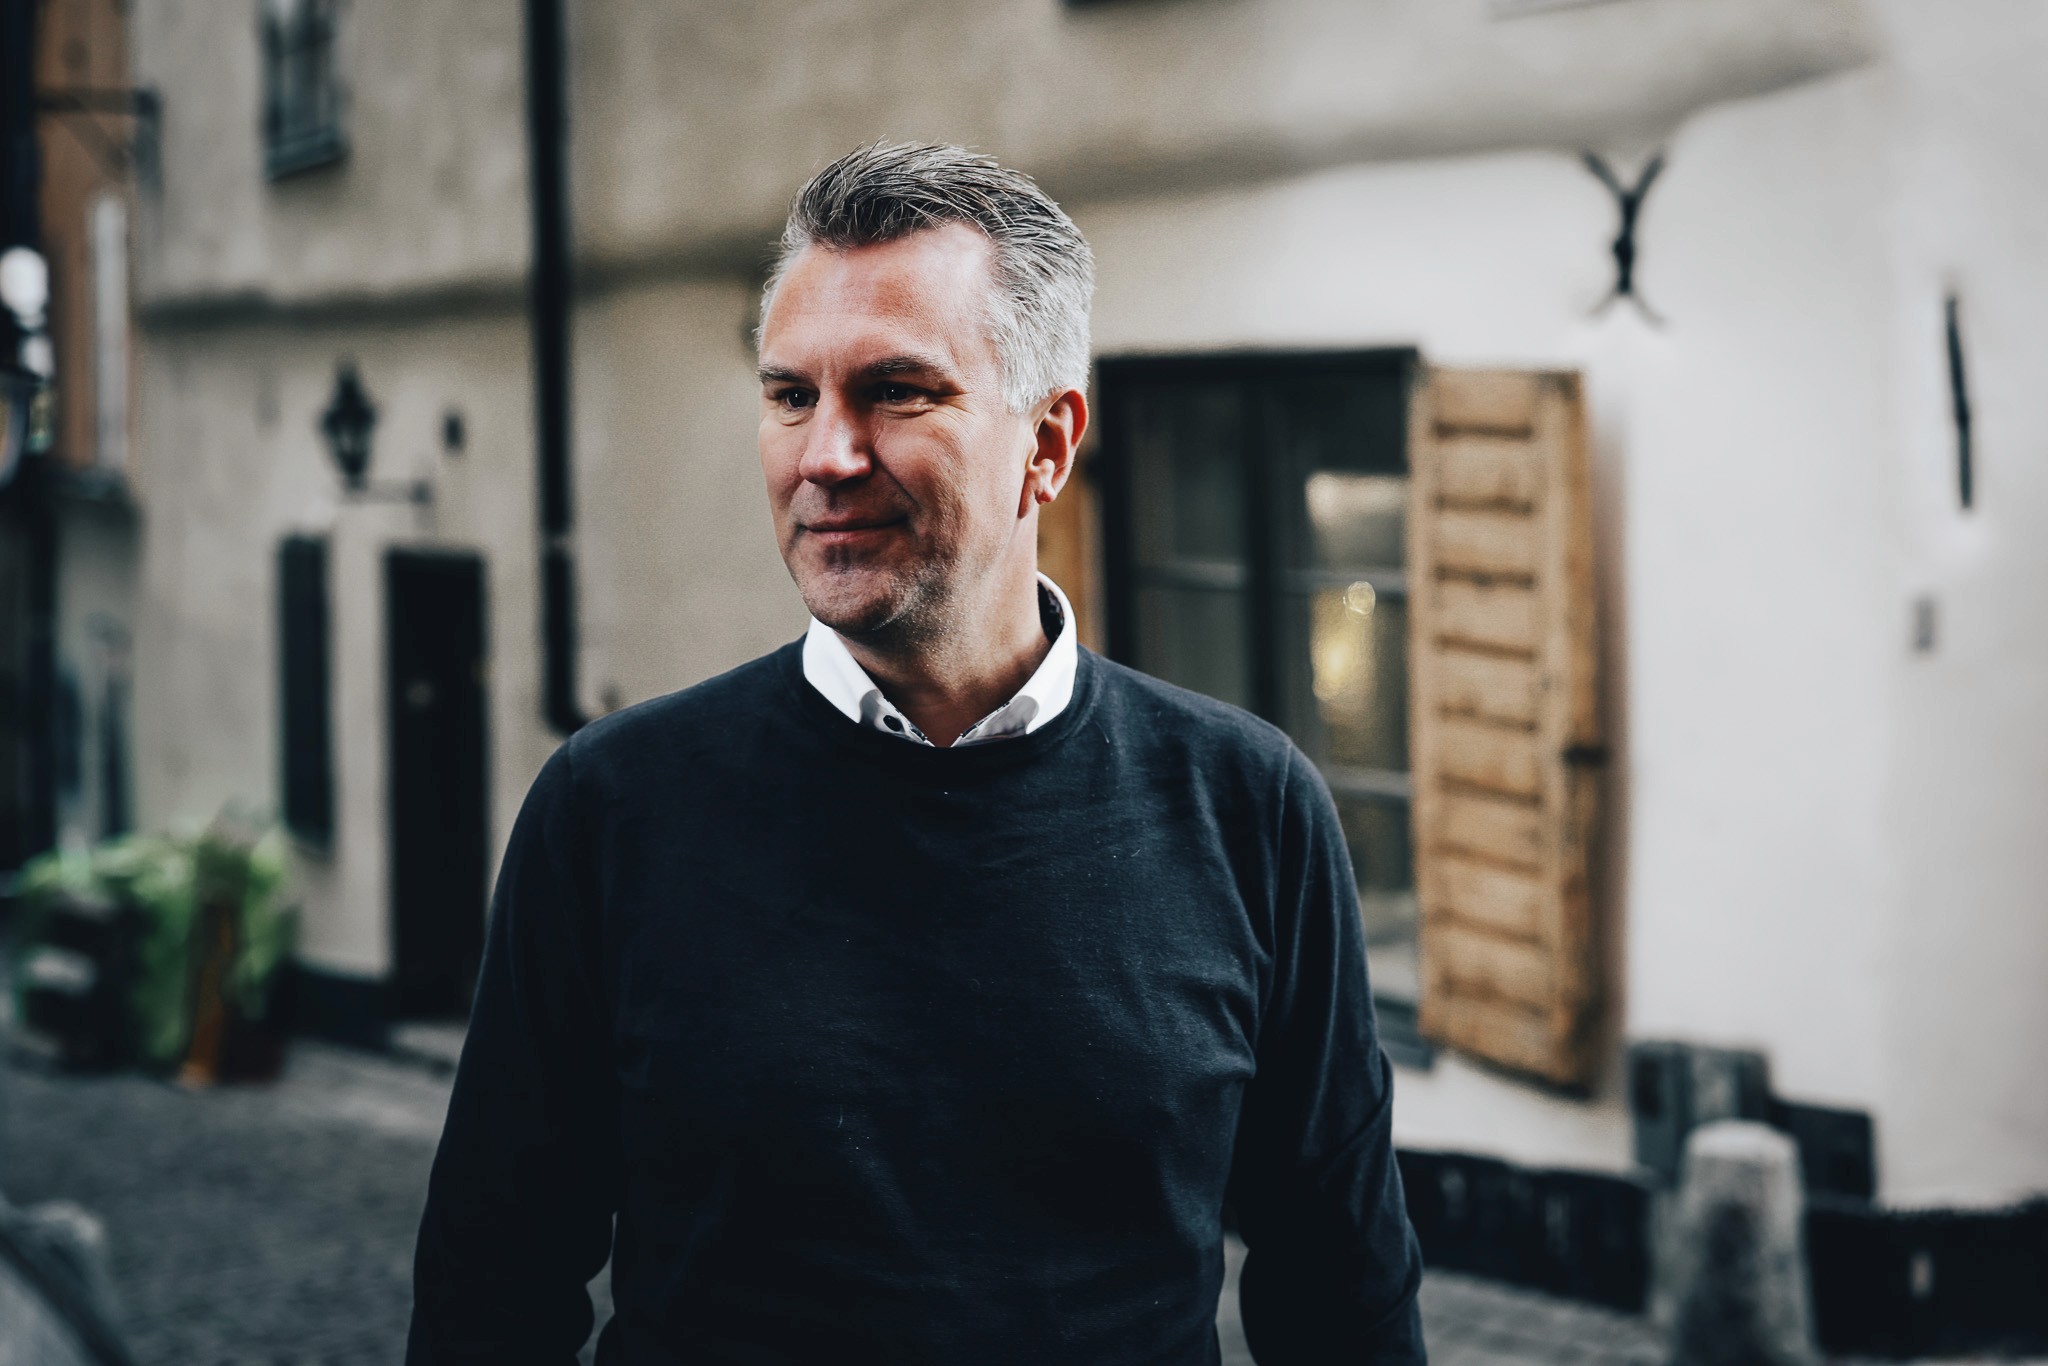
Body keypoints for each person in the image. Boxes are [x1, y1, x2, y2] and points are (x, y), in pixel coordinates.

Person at [406, 141, 1425, 1365]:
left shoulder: (1246, 809)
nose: (825, 457)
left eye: (896, 391)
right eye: (791, 396)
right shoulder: (610, 809)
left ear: (1046, 443)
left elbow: (1342, 1296)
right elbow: (488, 1293)